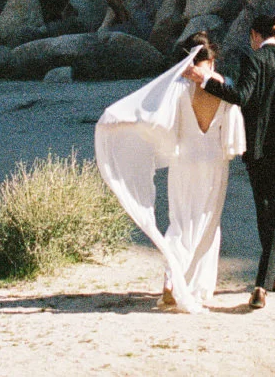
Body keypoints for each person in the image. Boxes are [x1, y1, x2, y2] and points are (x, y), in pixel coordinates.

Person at [93, 33, 245, 313]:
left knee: (181, 220)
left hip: (184, 159)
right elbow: (232, 125)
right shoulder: (225, 86)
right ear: (211, 60)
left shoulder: (179, 88)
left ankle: (172, 280)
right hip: (213, 159)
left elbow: (157, 120)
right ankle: (193, 285)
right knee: (207, 221)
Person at [184, 14, 275, 310]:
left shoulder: (254, 60)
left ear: (254, 36)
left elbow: (241, 96)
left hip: (260, 150)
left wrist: (205, 80)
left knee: (266, 213)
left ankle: (262, 285)